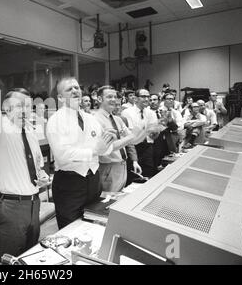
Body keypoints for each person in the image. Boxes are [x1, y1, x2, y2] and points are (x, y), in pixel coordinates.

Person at [0, 37, 49, 260]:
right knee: (9, 261)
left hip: (33, 204)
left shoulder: (30, 132)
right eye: (19, 105)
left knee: (29, 258)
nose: (25, 110)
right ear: (5, 109)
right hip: (10, 208)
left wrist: (43, 177)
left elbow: (37, 166)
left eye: (28, 106)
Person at [46, 77, 116, 229]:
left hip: (93, 181)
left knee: (93, 224)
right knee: (70, 229)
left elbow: (103, 148)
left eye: (77, 87)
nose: (75, 91)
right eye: (69, 89)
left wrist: (109, 141)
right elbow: (62, 155)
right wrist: (94, 150)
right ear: (60, 97)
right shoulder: (55, 120)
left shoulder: (90, 118)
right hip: (69, 183)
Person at [94, 86, 145, 192]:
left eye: (114, 96)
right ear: (99, 99)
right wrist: (131, 135)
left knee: (118, 198)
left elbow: (133, 140)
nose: (113, 99)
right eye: (109, 97)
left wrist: (145, 131)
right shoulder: (95, 120)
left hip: (122, 164)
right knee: (108, 200)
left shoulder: (117, 119)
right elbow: (109, 148)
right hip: (108, 167)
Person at [122, 89, 161, 178]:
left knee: (148, 174)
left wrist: (156, 132)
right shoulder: (127, 112)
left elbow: (153, 135)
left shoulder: (151, 113)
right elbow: (132, 135)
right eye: (143, 97)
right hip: (134, 148)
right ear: (135, 99)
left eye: (148, 96)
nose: (147, 99)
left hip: (148, 147)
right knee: (134, 176)